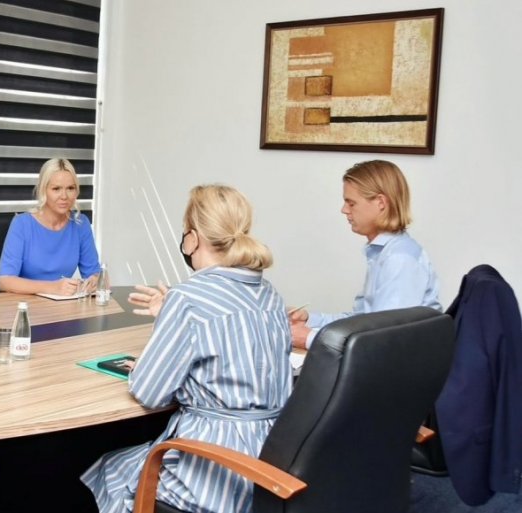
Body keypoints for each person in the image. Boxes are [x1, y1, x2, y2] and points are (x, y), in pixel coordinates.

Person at [82, 185, 292, 513]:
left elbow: (149, 392)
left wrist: (156, 343)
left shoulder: (188, 297)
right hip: (272, 463)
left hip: (214, 466)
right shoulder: (269, 294)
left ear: (192, 238)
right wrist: (171, 315)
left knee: (109, 469)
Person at [289, 160, 442, 349]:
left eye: (351, 203)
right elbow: (361, 322)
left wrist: (309, 339)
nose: (344, 210)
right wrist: (310, 320)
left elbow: (384, 340)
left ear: (381, 203)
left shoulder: (399, 259)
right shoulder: (383, 252)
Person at [0, 158, 101, 295]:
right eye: (56, 189)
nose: (64, 196)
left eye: (70, 188)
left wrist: (94, 282)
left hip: (64, 304)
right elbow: (5, 281)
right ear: (43, 190)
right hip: (24, 304)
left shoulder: (81, 224)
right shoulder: (21, 224)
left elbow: (94, 274)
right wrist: (53, 287)